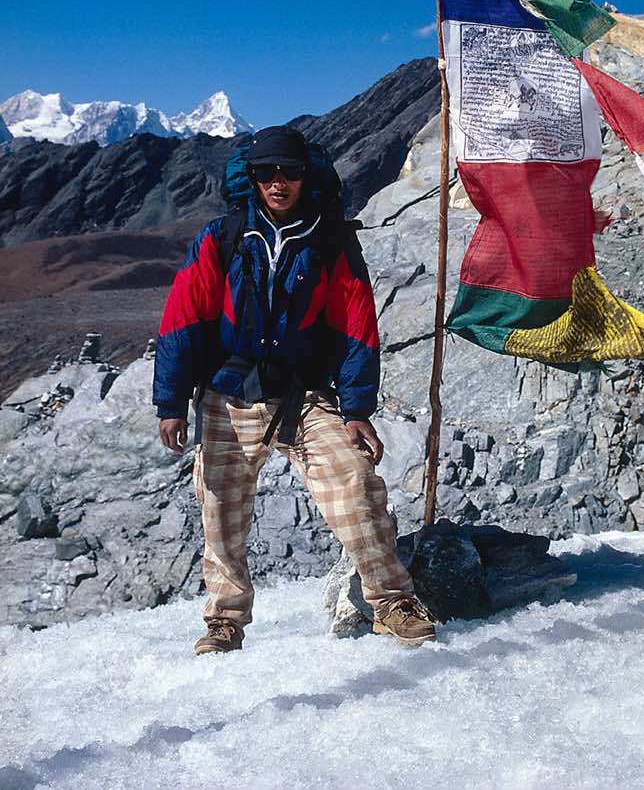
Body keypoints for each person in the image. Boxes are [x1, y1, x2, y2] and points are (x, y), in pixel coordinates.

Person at [153, 125, 435, 654]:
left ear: (308, 176)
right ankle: (224, 621)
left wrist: (355, 408)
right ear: (251, 178)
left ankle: (392, 601)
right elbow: (183, 319)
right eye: (267, 173)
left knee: (353, 478)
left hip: (303, 393)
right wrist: (170, 402)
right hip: (229, 391)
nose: (279, 183)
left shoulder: (331, 240)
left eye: (291, 172)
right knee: (220, 506)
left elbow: (356, 323)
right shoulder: (224, 235)